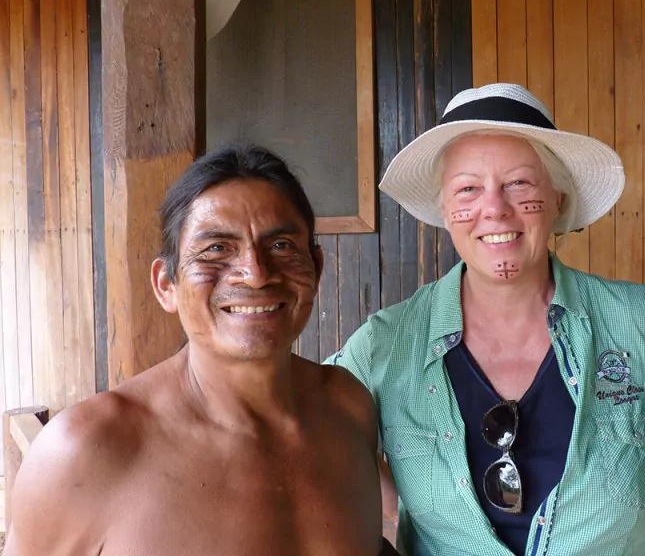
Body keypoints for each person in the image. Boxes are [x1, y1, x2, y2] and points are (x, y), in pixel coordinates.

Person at [325, 83, 645, 556]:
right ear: (446, 210)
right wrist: (391, 511)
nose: (494, 208)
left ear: (558, 201)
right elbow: (313, 423)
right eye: (468, 188)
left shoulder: (644, 324)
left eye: (519, 184)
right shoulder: (387, 342)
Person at [4, 145, 397, 556]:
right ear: (165, 285)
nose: (256, 274)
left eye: (281, 245)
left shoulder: (347, 407)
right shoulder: (87, 449)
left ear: (315, 267)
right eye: (216, 249)